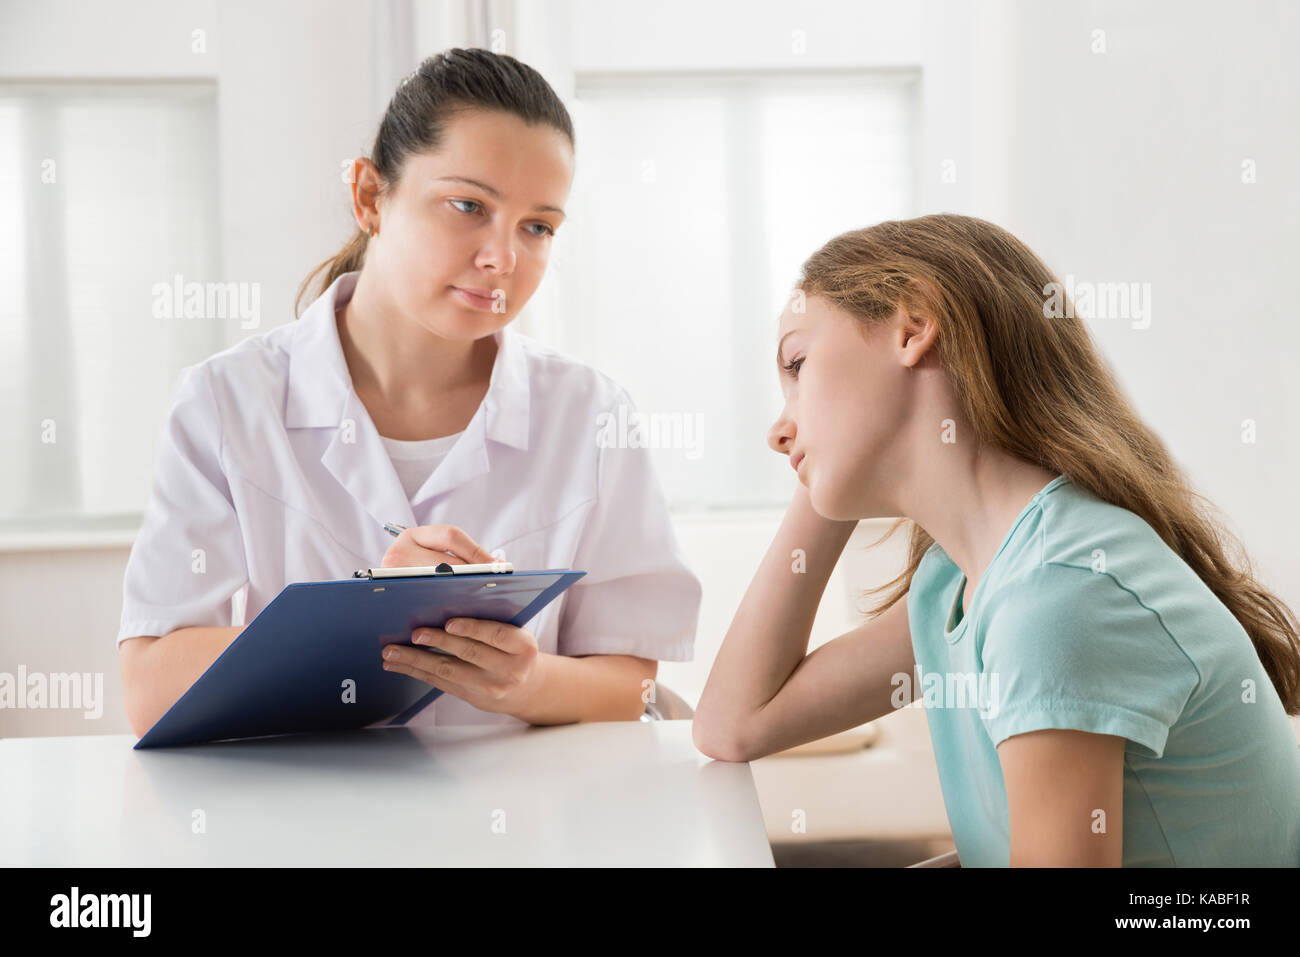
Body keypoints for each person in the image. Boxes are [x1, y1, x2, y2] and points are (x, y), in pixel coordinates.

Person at [118, 48, 701, 737]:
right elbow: (152, 686)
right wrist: (370, 617)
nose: (502, 259)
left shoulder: (590, 413)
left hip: (519, 824)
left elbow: (631, 683)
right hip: (305, 820)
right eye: (467, 206)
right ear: (371, 197)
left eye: (537, 227)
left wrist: (528, 679)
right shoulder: (227, 400)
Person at [694, 213, 1300, 867]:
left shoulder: (1061, 590)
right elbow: (735, 722)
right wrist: (826, 465)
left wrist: (837, 446)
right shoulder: (958, 582)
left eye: (798, 363)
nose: (776, 429)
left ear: (913, 326)